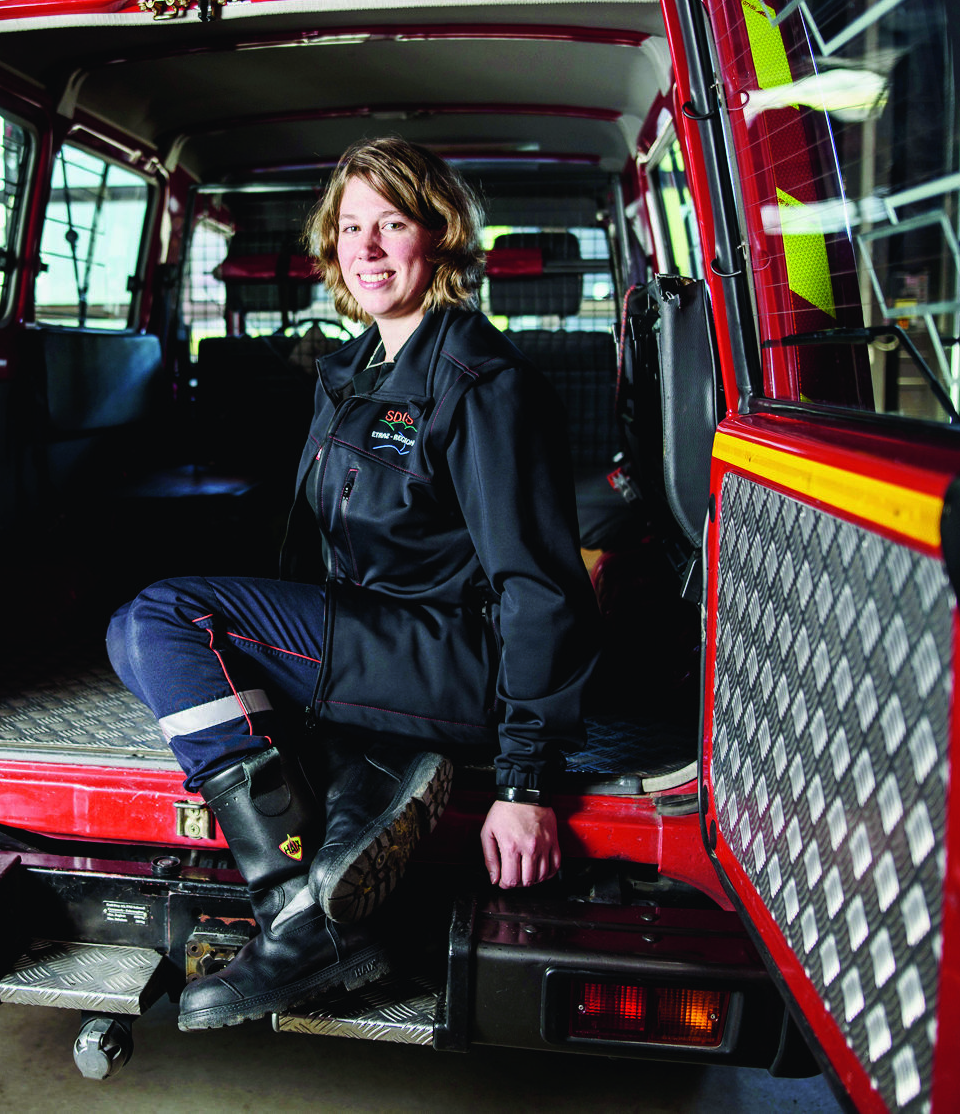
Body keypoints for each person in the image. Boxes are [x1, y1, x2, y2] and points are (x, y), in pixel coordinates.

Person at [107, 137, 602, 1030]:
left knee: (161, 619)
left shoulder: (481, 382)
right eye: (350, 227)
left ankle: (294, 918)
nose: (366, 248)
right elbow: (317, 554)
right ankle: (342, 832)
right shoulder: (352, 374)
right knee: (138, 633)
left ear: (439, 237)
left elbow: (540, 586)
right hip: (371, 640)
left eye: (392, 224)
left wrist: (526, 782)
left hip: (453, 658)